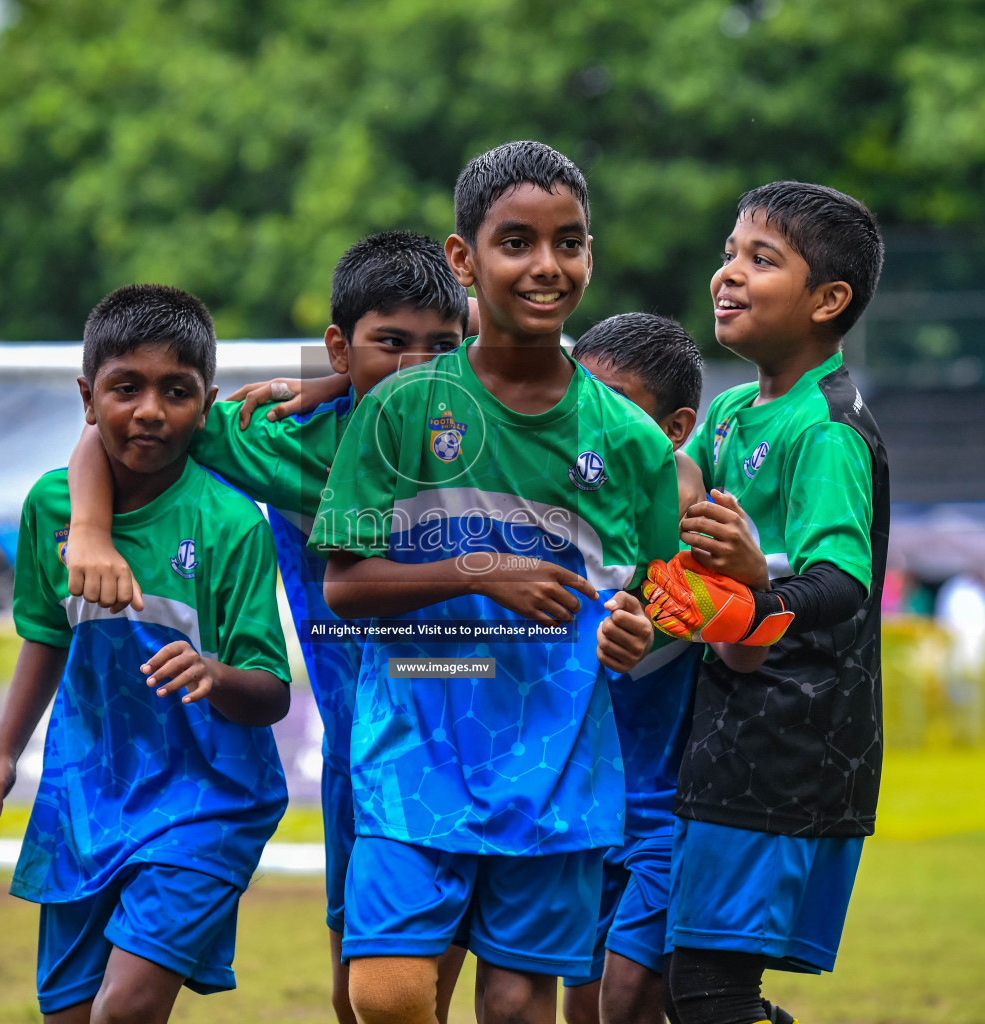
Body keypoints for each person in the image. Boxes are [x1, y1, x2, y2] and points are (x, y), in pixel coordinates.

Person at [60, 231, 472, 1024]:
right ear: (341, 346)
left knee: (500, 990)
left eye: (441, 347)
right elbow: (122, 423)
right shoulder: (281, 441)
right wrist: (89, 529)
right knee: (364, 998)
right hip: (367, 757)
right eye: (390, 343)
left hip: (483, 741)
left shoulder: (492, 436)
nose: (418, 367)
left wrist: (346, 376)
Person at [309, 140, 679, 1024]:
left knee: (517, 1009)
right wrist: (481, 568)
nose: (547, 265)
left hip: (557, 768)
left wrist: (642, 631)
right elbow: (345, 587)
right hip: (412, 743)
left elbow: (662, 599)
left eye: (570, 242)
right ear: (463, 258)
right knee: (389, 995)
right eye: (517, 242)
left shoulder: (630, 442)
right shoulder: (399, 409)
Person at [0, 285, 293, 1022]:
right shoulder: (51, 509)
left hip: (208, 799)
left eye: (176, 391)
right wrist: (3, 753)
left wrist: (213, 673)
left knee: (123, 1012)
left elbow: (272, 691)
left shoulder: (231, 523)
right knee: (71, 1015)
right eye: (126, 388)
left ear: (205, 405)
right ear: (88, 397)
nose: (149, 410)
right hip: (86, 799)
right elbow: (47, 637)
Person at [648, 181, 888, 1024]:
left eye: (761, 259)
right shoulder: (727, 418)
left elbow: (841, 583)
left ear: (829, 301)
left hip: (790, 743)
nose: (728, 275)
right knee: (682, 987)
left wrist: (757, 586)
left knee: (710, 994)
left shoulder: (823, 429)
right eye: (728, 253)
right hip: (723, 728)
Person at [559, 313, 705, 1024]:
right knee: (582, 1006)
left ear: (674, 428)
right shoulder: (554, 505)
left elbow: (679, 484)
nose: (593, 420)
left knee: (626, 999)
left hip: (664, 813)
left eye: (614, 402)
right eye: (581, 397)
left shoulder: (693, 526)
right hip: (577, 813)